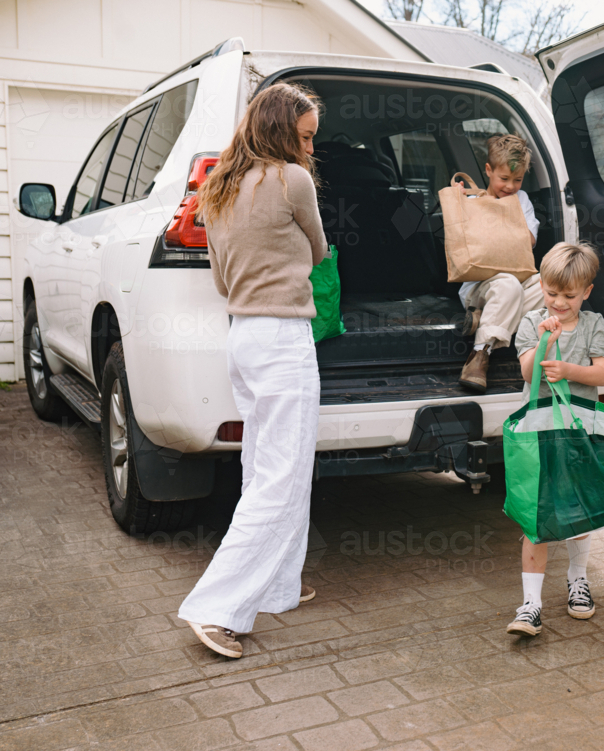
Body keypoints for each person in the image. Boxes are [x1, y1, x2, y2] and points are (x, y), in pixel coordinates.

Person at [177, 82, 327, 659]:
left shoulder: (217, 188)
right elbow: (317, 250)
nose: (310, 149)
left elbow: (220, 280)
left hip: (242, 334)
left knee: (265, 463)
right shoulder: (291, 180)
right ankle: (216, 608)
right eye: (305, 136)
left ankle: (278, 587)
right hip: (284, 336)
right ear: (280, 129)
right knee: (282, 475)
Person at [506, 242, 604, 636]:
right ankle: (530, 604)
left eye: (569, 295)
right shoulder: (532, 321)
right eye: (551, 293)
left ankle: (578, 578)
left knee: (576, 509)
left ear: (586, 291)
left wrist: (568, 369)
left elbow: (603, 373)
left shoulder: (593, 325)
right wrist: (546, 341)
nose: (558, 302)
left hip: (579, 433)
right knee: (536, 515)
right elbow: (527, 372)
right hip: (538, 434)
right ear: (541, 285)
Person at [455, 134, 544, 392]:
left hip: (516, 280)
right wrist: (463, 204)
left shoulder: (522, 200)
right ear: (488, 170)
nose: (510, 186)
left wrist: (508, 210)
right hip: (479, 287)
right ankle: (479, 355)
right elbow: (466, 244)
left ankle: (486, 320)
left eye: (517, 180)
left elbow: (528, 240)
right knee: (507, 285)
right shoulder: (473, 202)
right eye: (504, 179)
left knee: (546, 284)